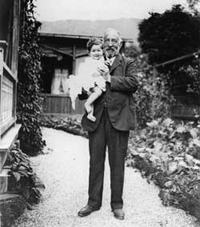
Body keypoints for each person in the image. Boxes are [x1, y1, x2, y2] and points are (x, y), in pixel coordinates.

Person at [77, 28, 139, 220]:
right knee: (95, 162)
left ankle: (117, 204)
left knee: (117, 163)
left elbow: (133, 83)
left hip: (118, 120)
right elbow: (85, 87)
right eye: (107, 40)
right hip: (97, 118)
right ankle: (93, 202)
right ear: (103, 44)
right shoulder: (95, 62)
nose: (110, 44)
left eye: (114, 40)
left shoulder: (127, 63)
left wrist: (108, 78)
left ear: (119, 44)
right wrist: (83, 90)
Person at [68, 37, 109, 122]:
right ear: (89, 53)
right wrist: (99, 72)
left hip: (96, 81)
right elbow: (92, 72)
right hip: (90, 81)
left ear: (102, 51)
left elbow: (104, 67)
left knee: (93, 96)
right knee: (98, 92)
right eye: (93, 51)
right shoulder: (90, 62)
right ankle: (87, 104)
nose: (96, 53)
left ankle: (90, 113)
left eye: (98, 50)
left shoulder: (102, 60)